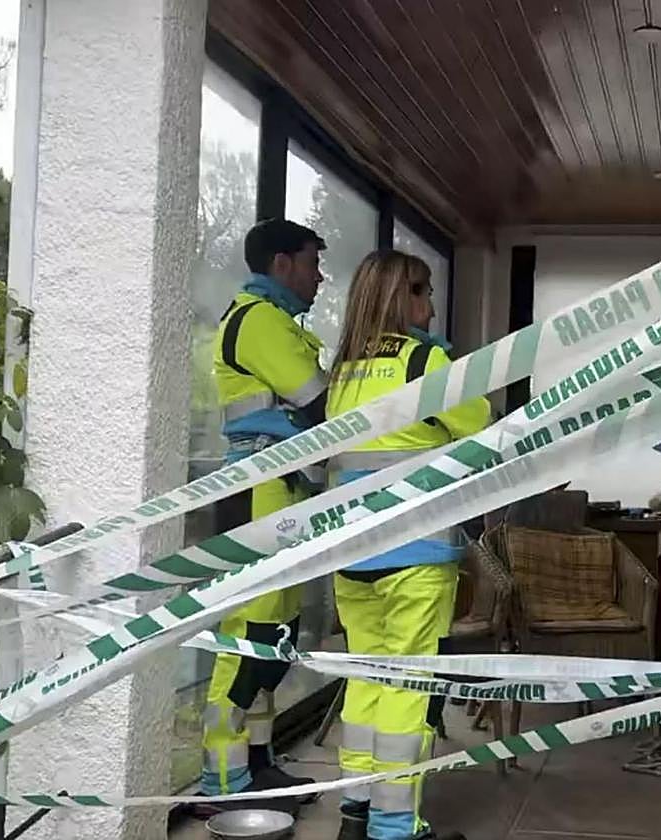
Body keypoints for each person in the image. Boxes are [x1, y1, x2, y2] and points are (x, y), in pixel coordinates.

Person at [326, 250, 490, 840]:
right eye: (425, 292)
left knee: (365, 679)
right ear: (404, 297)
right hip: (415, 555)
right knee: (406, 686)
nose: (432, 307)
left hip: (353, 556)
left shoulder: (342, 372)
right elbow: (484, 425)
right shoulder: (425, 361)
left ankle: (356, 811)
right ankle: (395, 826)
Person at [199, 219, 330, 814]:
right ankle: (223, 782)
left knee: (275, 635)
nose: (319, 277)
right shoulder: (258, 320)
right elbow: (320, 400)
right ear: (282, 264)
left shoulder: (274, 320)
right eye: (311, 263)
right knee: (248, 635)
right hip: (258, 490)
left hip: (281, 487)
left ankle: (256, 761)